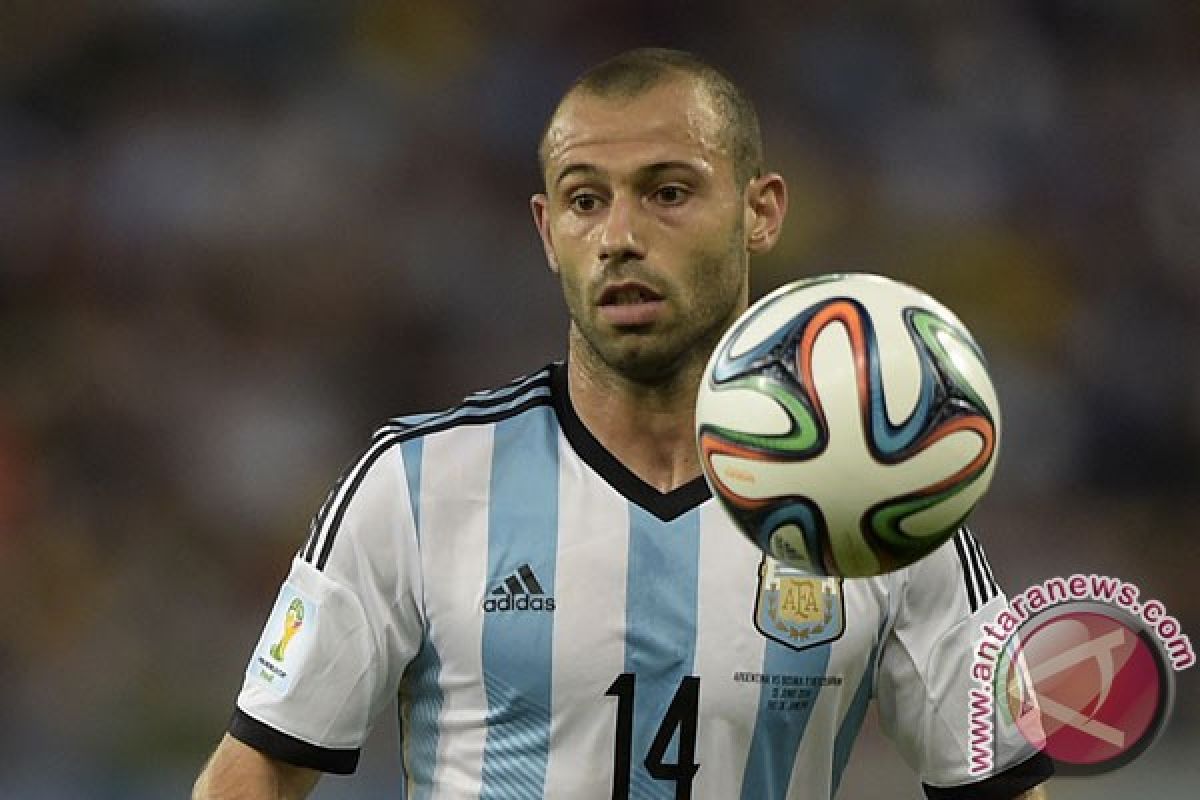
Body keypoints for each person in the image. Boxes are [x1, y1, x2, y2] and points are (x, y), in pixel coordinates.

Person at [193, 48, 1053, 799]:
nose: (619, 236)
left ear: (762, 210)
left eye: (667, 192)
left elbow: (1002, 785)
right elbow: (256, 770)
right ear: (546, 230)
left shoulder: (882, 499)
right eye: (584, 201)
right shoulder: (417, 482)